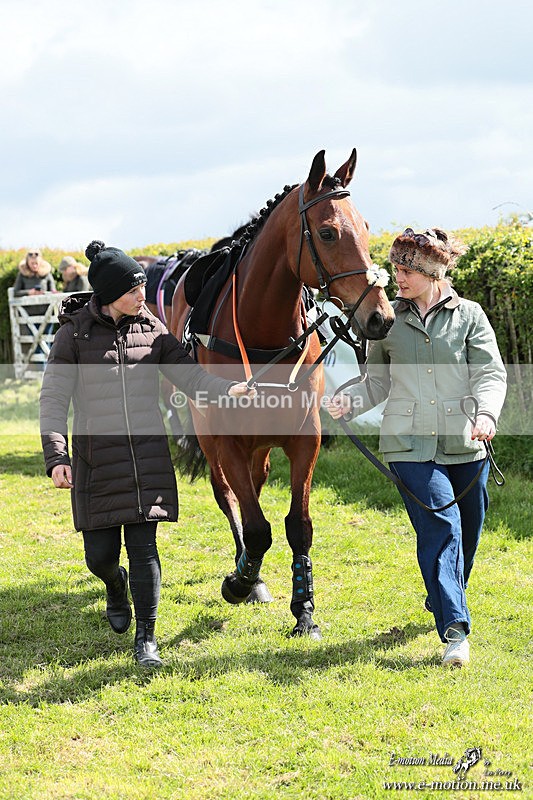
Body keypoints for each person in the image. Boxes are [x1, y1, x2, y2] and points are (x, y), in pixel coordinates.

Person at [40, 240, 255, 668]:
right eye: (134, 288)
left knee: (144, 550)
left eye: (142, 285)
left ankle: (147, 639)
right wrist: (57, 455)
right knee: (100, 558)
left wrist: (228, 388)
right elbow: (53, 399)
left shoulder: (151, 328)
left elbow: (190, 376)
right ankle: (114, 585)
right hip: (94, 462)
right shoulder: (74, 335)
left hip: (145, 460)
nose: (144, 294)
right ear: (108, 294)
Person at [325, 227, 507, 667]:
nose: (397, 277)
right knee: (441, 529)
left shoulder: (470, 316)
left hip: (467, 442)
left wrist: (486, 414)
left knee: (468, 534)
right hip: (408, 445)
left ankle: (443, 595)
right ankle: (455, 631)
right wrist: (351, 399)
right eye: (395, 268)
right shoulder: (388, 321)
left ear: (431, 272)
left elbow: (490, 373)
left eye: (405, 269)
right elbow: (377, 382)